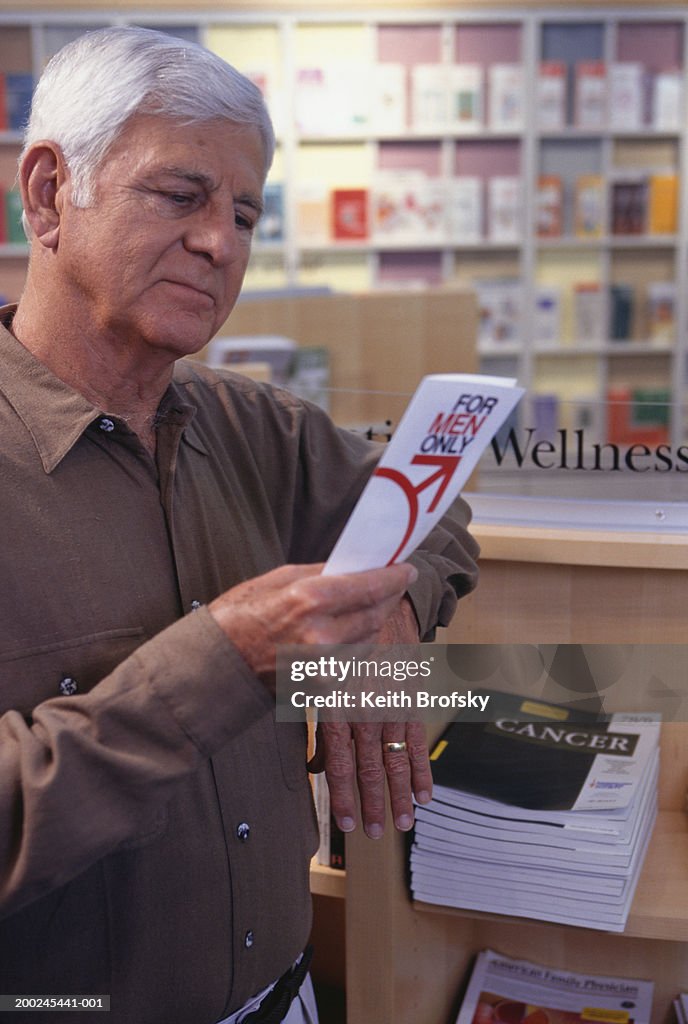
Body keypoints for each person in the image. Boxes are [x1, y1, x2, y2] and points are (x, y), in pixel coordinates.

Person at [0, 26, 479, 1024]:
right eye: (179, 196)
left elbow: (436, 517)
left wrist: (394, 612)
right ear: (49, 194)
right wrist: (224, 660)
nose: (221, 242)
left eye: (246, 213)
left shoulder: (255, 427)